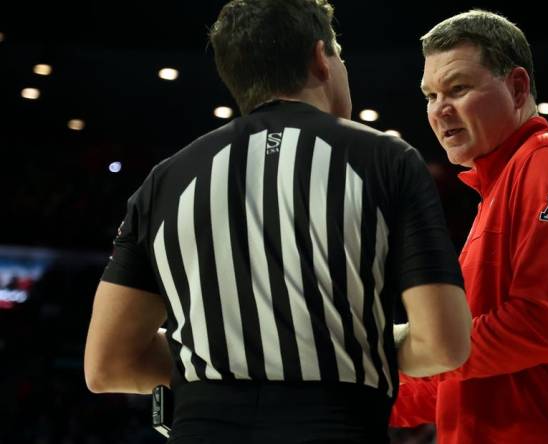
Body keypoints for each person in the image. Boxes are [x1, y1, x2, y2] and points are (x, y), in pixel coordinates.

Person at [83, 1, 471, 443]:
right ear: (320, 59)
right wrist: (347, 343)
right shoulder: (387, 159)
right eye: (339, 54)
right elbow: (445, 343)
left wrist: (226, 356)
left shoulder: (165, 179)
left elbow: (108, 364)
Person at [390, 10, 548, 443]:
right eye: (429, 95)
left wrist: (412, 345)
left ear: (517, 86)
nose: (439, 109)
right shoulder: (497, 192)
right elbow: (459, 379)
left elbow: (541, 325)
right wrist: (360, 391)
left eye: (457, 88)